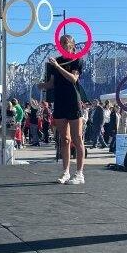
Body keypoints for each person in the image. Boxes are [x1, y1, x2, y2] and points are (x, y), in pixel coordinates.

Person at [38, 34, 86, 184]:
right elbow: (52, 83)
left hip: (73, 101)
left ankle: (79, 174)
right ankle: (65, 172)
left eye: (66, 42)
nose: (63, 45)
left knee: (77, 138)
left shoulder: (77, 60)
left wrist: (58, 67)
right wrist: (42, 85)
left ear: (72, 45)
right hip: (59, 102)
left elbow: (73, 79)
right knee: (64, 139)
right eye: (61, 43)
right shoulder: (56, 61)